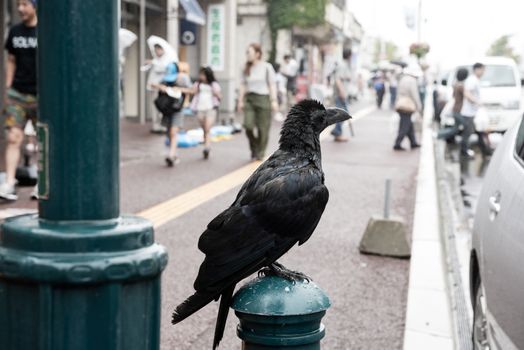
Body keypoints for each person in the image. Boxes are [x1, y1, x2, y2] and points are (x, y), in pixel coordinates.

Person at [0, 0, 38, 201]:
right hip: (18, 94)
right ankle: (9, 182)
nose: (20, 9)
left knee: (44, 141)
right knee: (13, 137)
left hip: (43, 95)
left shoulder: (46, 32)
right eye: (18, 4)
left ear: (35, 5)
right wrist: (8, 88)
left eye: (24, 4)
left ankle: (43, 183)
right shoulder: (14, 32)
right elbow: (11, 60)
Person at [237, 43, 278, 161]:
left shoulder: (266, 67)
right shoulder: (245, 67)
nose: (247, 55)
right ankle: (255, 147)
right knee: (248, 126)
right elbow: (243, 84)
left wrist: (274, 100)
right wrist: (240, 101)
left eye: (249, 52)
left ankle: (260, 151)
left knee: (263, 128)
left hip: (263, 98)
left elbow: (272, 84)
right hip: (249, 99)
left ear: (257, 54)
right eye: (247, 52)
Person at [153, 61, 192, 167]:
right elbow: (152, 85)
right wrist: (161, 87)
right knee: (168, 132)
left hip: (178, 109)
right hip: (166, 109)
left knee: (173, 132)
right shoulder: (164, 78)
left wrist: (179, 89)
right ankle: (174, 154)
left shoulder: (183, 78)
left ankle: (171, 154)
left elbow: (192, 90)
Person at [189, 66, 222, 159]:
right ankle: (206, 145)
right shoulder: (198, 84)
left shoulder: (214, 84)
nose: (201, 76)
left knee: (207, 128)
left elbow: (220, 95)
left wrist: (216, 93)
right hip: (200, 108)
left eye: (203, 74)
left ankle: (207, 147)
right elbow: (192, 92)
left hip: (210, 108)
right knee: (204, 129)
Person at [461, 62, 491, 158]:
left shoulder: (474, 80)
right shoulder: (472, 80)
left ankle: (485, 151)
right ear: (477, 69)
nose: (483, 72)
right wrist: (477, 102)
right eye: (482, 70)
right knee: (468, 132)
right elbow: (467, 93)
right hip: (468, 112)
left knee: (479, 131)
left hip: (473, 112)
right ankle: (464, 151)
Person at [393, 64, 422, 151]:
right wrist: (419, 106)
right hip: (408, 105)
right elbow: (415, 95)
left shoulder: (403, 79)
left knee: (409, 125)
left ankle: (413, 142)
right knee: (405, 125)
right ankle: (397, 144)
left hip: (401, 104)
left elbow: (398, 93)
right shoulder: (412, 81)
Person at [437, 68, 468, 141]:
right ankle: (438, 134)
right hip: (458, 110)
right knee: (466, 126)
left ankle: (438, 134)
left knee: (455, 129)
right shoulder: (461, 86)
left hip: (455, 109)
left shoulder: (455, 84)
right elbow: (467, 96)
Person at [330, 48, 352, 142]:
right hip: (340, 94)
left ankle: (337, 132)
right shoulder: (342, 65)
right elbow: (338, 80)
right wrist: (342, 92)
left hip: (342, 93)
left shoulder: (345, 65)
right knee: (343, 113)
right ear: (349, 56)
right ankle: (337, 132)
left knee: (342, 113)